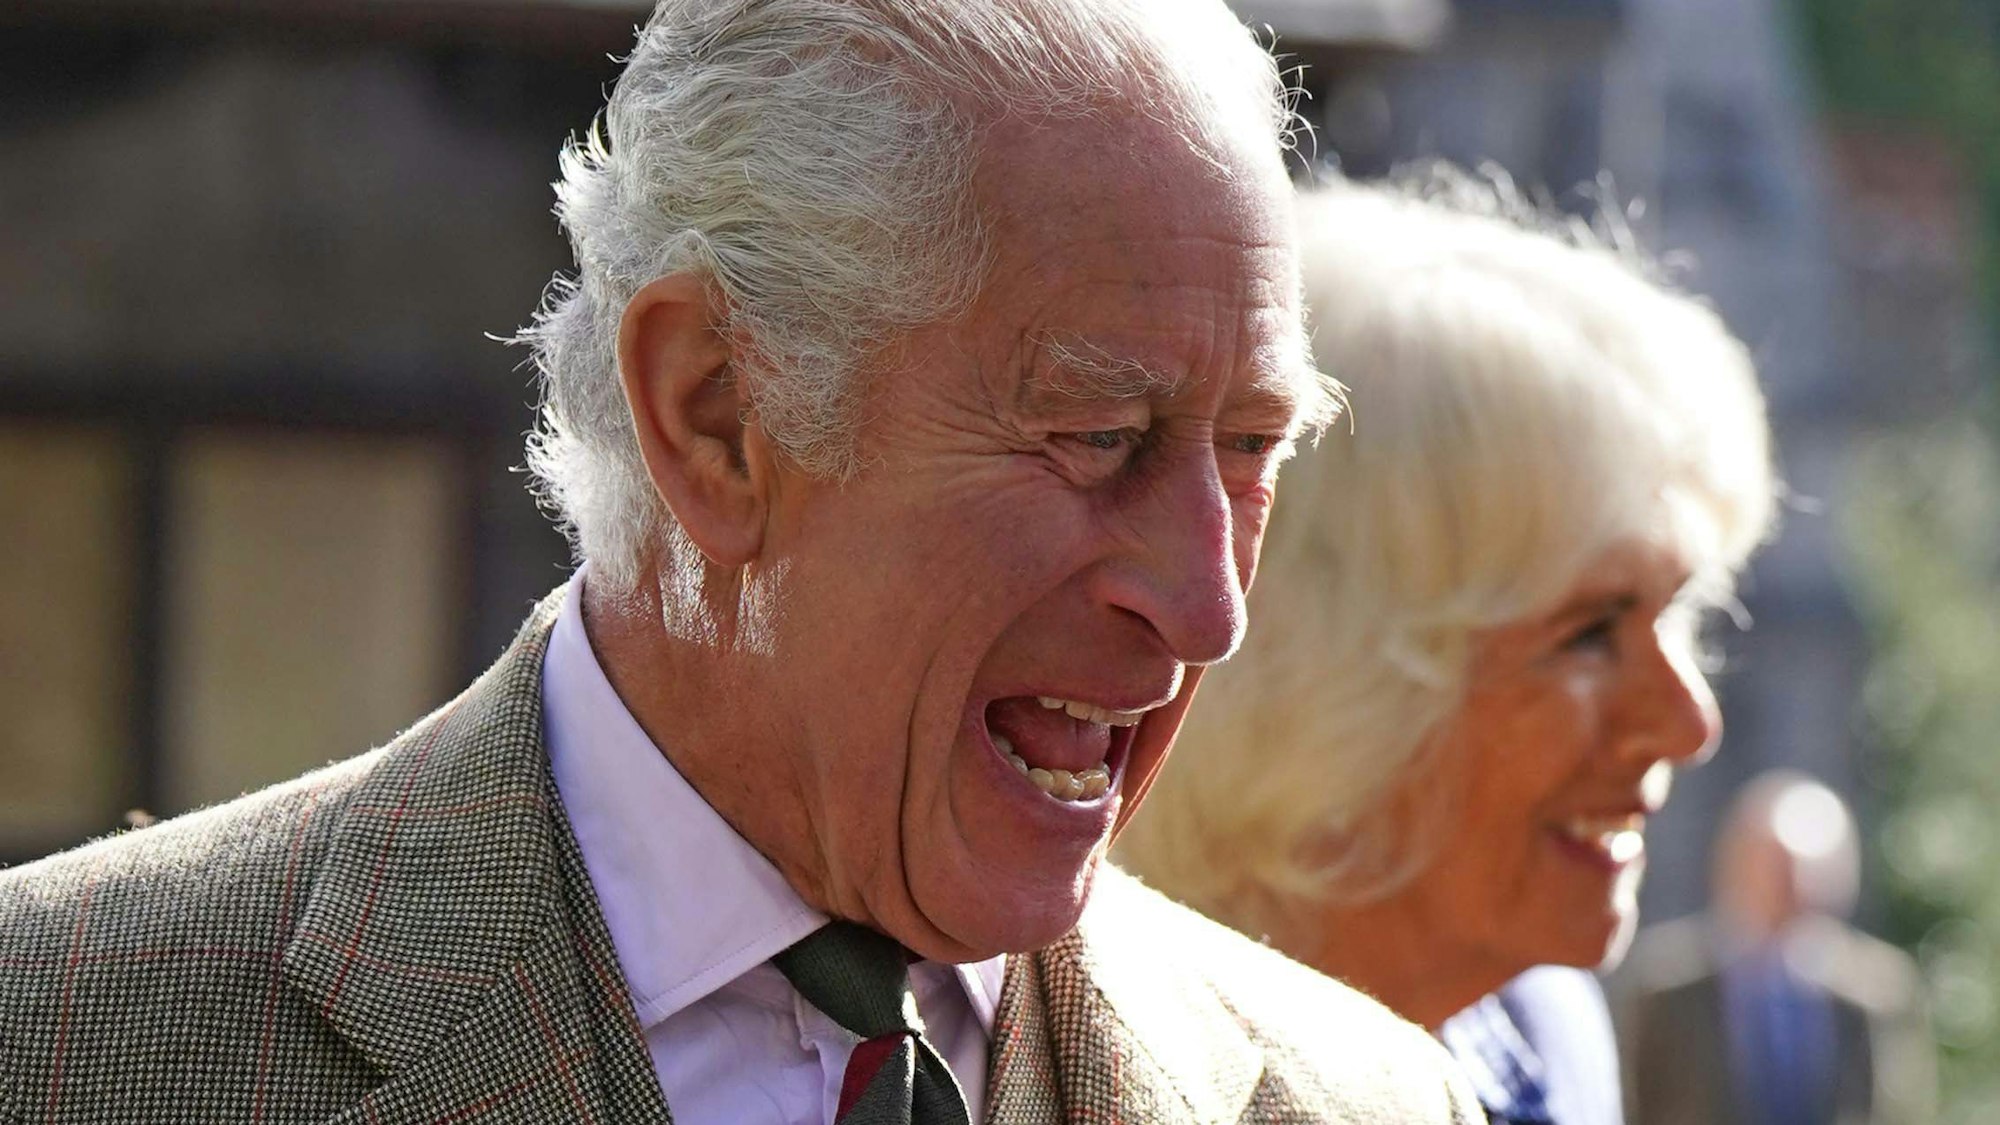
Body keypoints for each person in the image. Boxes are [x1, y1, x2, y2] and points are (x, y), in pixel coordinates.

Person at [0, 3, 1483, 1123]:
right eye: (1101, 436)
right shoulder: (65, 1039)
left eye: (1250, 448)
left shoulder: (1363, 1096)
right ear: (715, 413)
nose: (1209, 605)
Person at [1114, 172, 1779, 1124]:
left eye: (1678, 615)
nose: (1687, 721)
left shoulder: (1546, 1036)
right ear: (1318, 668)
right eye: (1591, 632)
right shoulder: (1057, 1066)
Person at [1616, 770, 1936, 1124]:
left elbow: (1901, 1109)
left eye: (1805, 870)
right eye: (1775, 867)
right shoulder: (1665, 983)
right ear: (1734, 863)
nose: (1792, 885)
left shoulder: (1878, 989)